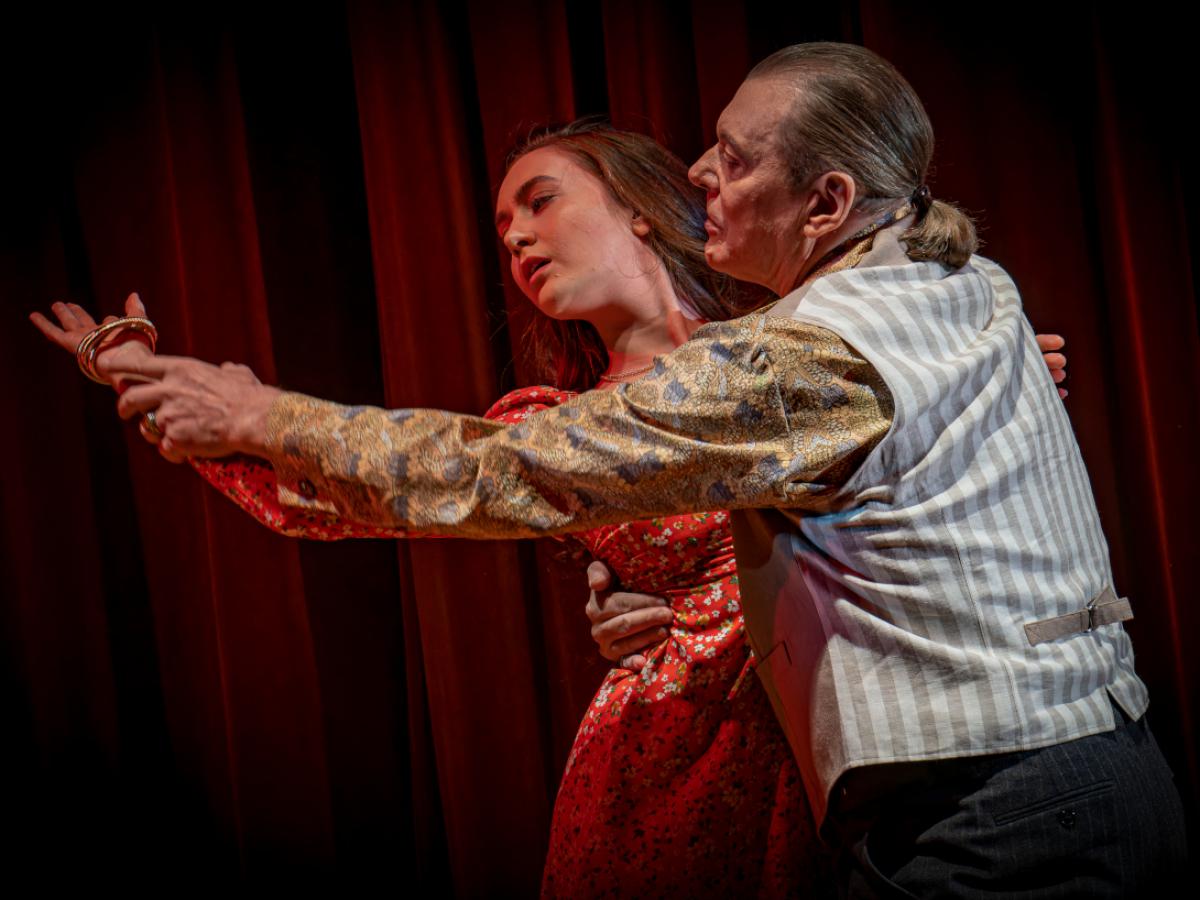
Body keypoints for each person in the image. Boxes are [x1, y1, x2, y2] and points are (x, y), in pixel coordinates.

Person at [33, 45, 1131, 896]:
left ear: (641, 207)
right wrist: (200, 404)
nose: (514, 237)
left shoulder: (795, 352)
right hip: (699, 758)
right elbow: (420, 485)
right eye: (500, 225)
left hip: (899, 762)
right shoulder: (579, 411)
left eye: (541, 200)